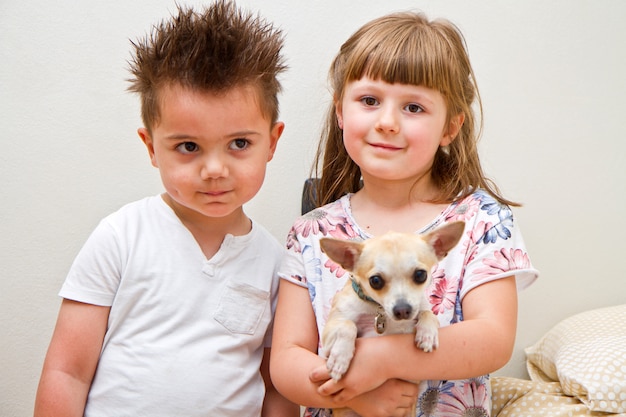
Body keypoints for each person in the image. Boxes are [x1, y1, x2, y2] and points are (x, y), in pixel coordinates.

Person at [33, 2, 298, 416]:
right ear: (151, 147)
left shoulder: (277, 265)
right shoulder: (121, 236)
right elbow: (67, 372)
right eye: (188, 147)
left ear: (272, 142)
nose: (214, 170)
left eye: (239, 144)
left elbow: (276, 388)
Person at [270, 11, 538, 417]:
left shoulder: (481, 219)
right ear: (341, 112)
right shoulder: (312, 231)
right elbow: (286, 359)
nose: (388, 122)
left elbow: (493, 339)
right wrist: (355, 395)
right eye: (369, 100)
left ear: (450, 127)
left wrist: (382, 359)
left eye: (413, 107)